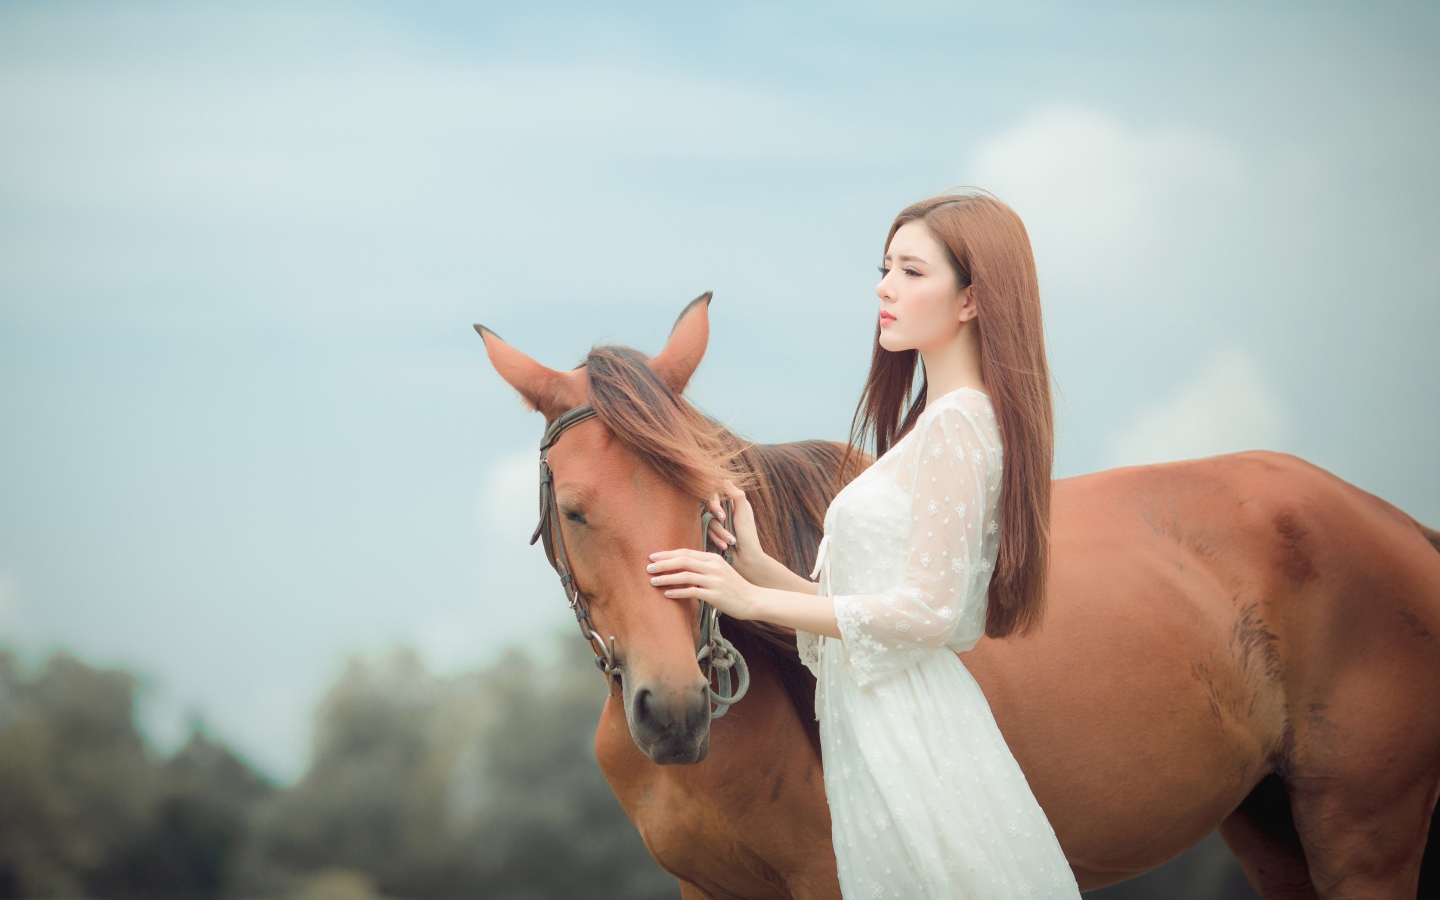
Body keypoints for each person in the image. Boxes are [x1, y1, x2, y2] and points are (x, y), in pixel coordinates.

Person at [645, 190, 1082, 897]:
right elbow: (866, 613)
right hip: (874, 725)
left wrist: (747, 596)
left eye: (913, 272)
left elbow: (928, 615)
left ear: (971, 300)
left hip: (912, 732)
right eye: (886, 268)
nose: (885, 287)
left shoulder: (957, 428)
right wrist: (759, 568)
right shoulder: (934, 427)